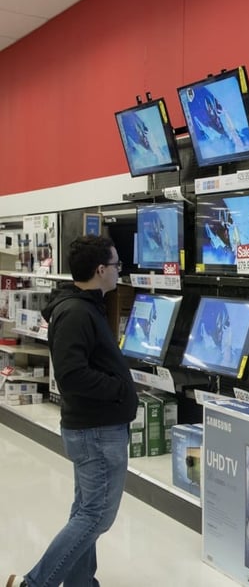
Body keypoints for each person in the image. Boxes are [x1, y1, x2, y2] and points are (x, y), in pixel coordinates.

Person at [7, 235, 138, 587]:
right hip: (96, 431)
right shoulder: (77, 312)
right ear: (100, 270)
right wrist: (120, 388)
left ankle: (80, 582)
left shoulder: (82, 306)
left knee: (86, 511)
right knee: (96, 516)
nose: (118, 272)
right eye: (116, 266)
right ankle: (35, 583)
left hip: (95, 429)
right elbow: (71, 374)